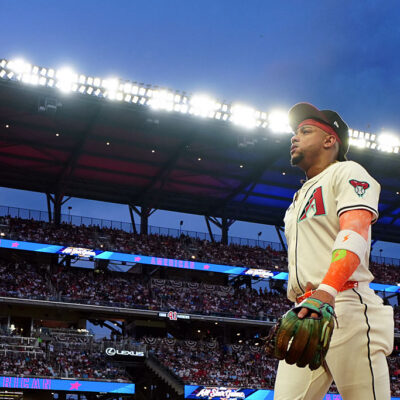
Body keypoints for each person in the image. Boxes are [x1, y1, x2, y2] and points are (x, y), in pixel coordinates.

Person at [273, 103, 394, 399]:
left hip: (345, 304)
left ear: (330, 140)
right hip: (306, 311)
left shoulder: (348, 171)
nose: (294, 137)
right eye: (294, 132)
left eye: (305, 130)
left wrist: (326, 291)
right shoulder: (297, 197)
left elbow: (354, 232)